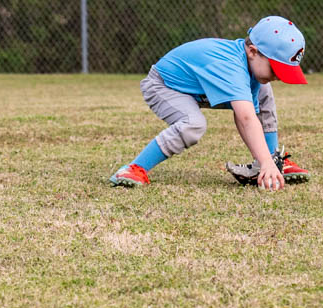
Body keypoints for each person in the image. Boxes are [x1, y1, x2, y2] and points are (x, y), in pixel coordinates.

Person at [108, 16, 310, 190]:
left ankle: (274, 160)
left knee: (264, 90)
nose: (279, 76)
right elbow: (246, 118)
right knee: (193, 124)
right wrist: (264, 162)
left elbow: (250, 117)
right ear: (252, 51)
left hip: (198, 90)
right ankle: (135, 168)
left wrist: (266, 161)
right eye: (275, 69)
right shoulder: (230, 66)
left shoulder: (249, 65)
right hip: (164, 86)